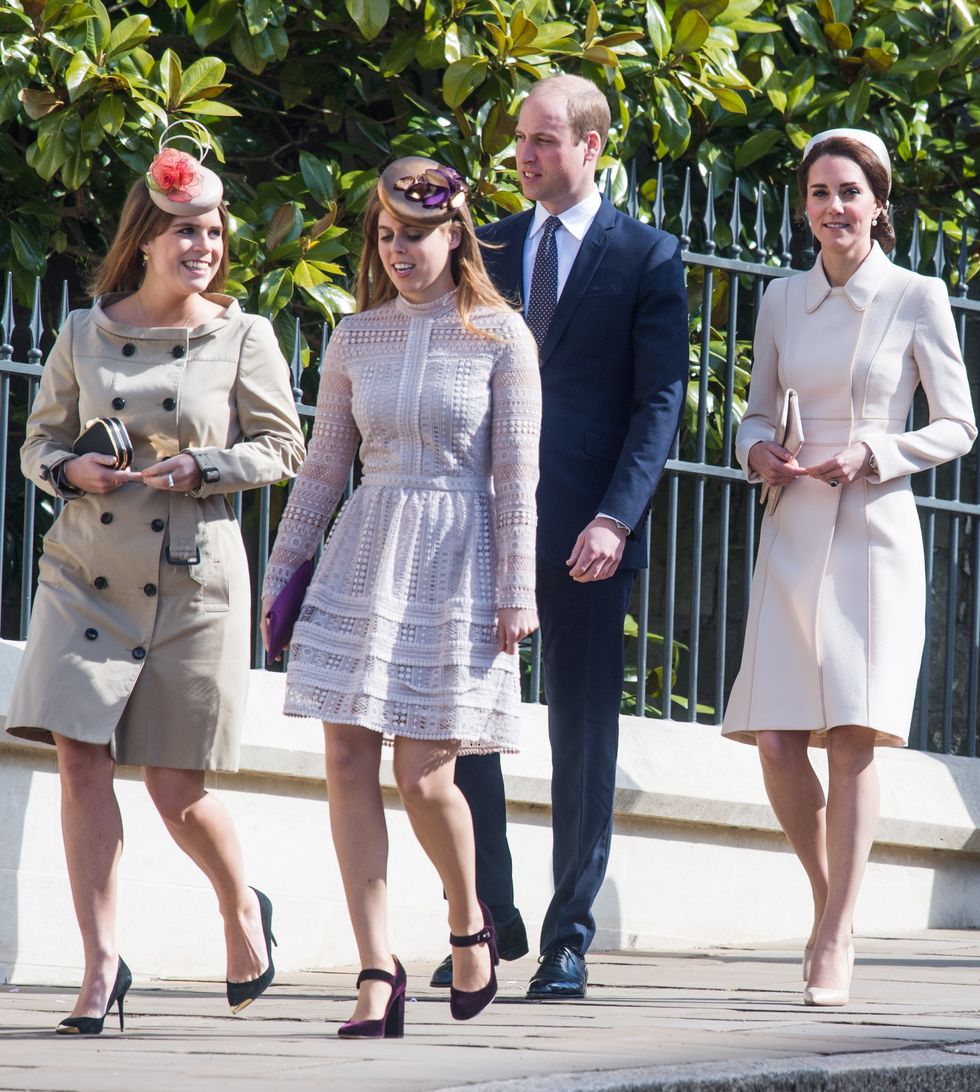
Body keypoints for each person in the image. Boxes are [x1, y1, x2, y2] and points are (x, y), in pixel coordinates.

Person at [5, 127, 307, 1034]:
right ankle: (100, 969)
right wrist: (70, 473)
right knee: (80, 764)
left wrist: (205, 468)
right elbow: (36, 444)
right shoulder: (81, 332)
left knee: (180, 789)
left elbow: (282, 447)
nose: (203, 247)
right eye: (185, 230)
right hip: (85, 574)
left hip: (192, 578)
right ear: (145, 236)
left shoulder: (244, 335)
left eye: (214, 232)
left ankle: (241, 909)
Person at [260, 157, 541, 1037]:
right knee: (346, 761)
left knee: (424, 778)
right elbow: (321, 468)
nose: (398, 251)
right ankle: (375, 970)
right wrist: (281, 577)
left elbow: (517, 478)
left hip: (460, 558)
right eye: (385, 236)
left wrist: (518, 589)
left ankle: (469, 924)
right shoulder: (354, 337)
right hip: (364, 551)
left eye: (414, 234)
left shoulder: (503, 336)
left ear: (455, 233)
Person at [432, 74, 689, 999]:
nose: (525, 156)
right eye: (520, 139)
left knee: (583, 730)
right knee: (468, 727)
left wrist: (617, 517)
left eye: (543, 140)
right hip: (479, 527)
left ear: (591, 146)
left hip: (589, 529)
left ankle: (566, 936)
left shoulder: (648, 255)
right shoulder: (486, 246)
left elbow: (660, 401)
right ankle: (489, 921)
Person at [722, 128, 977, 1006]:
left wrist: (872, 453)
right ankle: (834, 901)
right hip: (794, 523)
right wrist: (760, 453)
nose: (835, 208)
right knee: (779, 740)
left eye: (850, 193)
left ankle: (834, 934)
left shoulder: (918, 295)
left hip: (874, 530)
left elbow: (958, 424)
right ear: (807, 206)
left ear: (879, 204)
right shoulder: (782, 300)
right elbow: (753, 414)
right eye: (821, 193)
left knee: (854, 736)